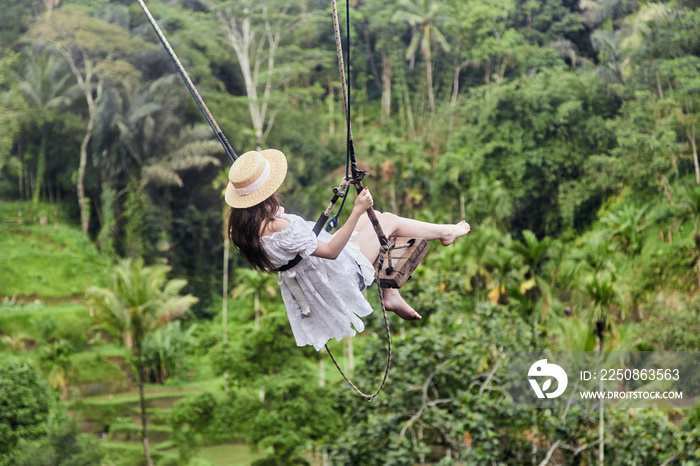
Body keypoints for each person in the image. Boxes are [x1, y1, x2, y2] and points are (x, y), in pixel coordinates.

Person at [226, 149, 470, 350]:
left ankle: (390, 295)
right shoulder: (278, 226)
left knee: (374, 220)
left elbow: (300, 246)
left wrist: (343, 198)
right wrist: (357, 209)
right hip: (336, 276)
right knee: (388, 222)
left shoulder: (242, 229)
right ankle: (446, 233)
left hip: (313, 276)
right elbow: (331, 250)